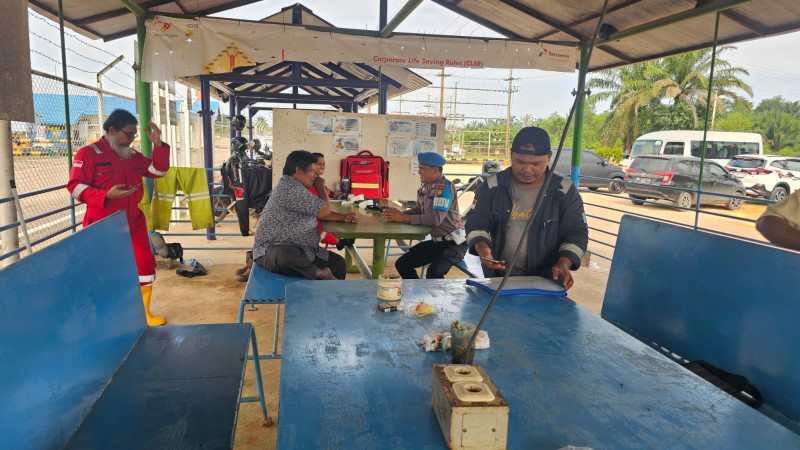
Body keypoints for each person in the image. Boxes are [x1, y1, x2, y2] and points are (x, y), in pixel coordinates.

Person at [67, 109, 170, 326]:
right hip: (103, 222)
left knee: (144, 264)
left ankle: (143, 314)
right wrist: (105, 195)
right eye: (129, 134)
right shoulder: (88, 154)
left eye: (134, 135)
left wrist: (159, 146)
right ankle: (104, 317)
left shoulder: (131, 155)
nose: (132, 140)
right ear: (112, 130)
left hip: (133, 220)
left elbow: (158, 171)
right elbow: (75, 187)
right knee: (104, 268)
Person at [465, 126, 588, 288]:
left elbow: (576, 232)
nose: (527, 169)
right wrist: (482, 247)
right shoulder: (492, 186)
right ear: (511, 154)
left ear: (549, 157)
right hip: (498, 277)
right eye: (520, 161)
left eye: (536, 164)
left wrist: (564, 262)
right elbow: (476, 222)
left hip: (546, 278)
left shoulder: (564, 190)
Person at [252, 150, 358, 280]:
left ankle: (327, 297)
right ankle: (318, 273)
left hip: (303, 249)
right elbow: (324, 211)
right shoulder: (289, 188)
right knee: (288, 255)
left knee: (338, 264)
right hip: (271, 250)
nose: (314, 176)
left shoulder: (298, 188)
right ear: (298, 170)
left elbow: (321, 213)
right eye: (312, 171)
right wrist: (321, 186)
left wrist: (344, 217)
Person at [383, 152, 467, 278]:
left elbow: (435, 220)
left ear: (435, 170)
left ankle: (437, 298)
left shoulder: (443, 187)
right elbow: (418, 209)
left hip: (453, 244)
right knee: (403, 264)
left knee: (434, 274)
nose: (419, 172)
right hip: (436, 242)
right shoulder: (426, 188)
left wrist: (403, 218)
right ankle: (418, 293)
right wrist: (397, 215)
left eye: (422, 169)